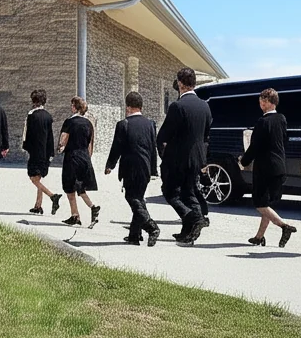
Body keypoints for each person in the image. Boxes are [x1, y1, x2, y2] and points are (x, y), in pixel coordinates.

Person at [157, 67, 213, 245]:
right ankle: (187, 231)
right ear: (194, 83)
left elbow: (164, 135)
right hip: (197, 158)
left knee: (170, 192)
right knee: (188, 192)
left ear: (180, 84)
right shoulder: (205, 106)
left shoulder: (177, 106)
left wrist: (163, 151)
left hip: (178, 158)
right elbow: (206, 135)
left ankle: (194, 218)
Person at [239, 88, 298, 247]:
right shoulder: (282, 119)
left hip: (265, 168)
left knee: (260, 204)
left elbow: (254, 147)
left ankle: (284, 227)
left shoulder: (262, 122)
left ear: (266, 102)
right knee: (267, 204)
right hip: (279, 167)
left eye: (261, 101)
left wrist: (243, 162)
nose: (260, 104)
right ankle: (259, 237)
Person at [105, 91, 159, 246]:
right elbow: (152, 148)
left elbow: (117, 147)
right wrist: (153, 169)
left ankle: (151, 226)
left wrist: (110, 165)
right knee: (139, 199)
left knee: (132, 198)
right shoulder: (150, 124)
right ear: (141, 106)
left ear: (127, 107)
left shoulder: (123, 125)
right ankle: (134, 236)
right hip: (145, 168)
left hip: (130, 167)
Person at [57, 96, 100, 227]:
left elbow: (63, 138)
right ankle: (81, 212)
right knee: (80, 187)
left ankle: (83, 211)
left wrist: (59, 148)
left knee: (69, 187)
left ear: (75, 107)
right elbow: (90, 143)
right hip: (84, 157)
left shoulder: (69, 122)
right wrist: (88, 158)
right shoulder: (88, 123)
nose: (71, 107)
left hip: (72, 157)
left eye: (72, 105)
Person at [22, 89, 62, 215]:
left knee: (34, 178)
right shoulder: (48, 116)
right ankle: (38, 205)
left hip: (35, 151)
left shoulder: (31, 115)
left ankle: (52, 196)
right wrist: (51, 153)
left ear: (34, 101)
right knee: (40, 177)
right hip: (46, 151)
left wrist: (25, 147)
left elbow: (27, 134)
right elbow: (50, 136)